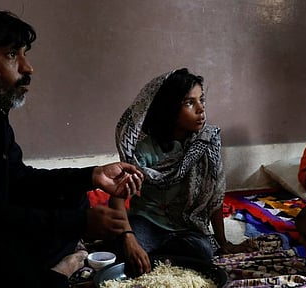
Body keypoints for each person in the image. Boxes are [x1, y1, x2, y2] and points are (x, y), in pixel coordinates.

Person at [0, 9, 143, 288]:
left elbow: (18, 179)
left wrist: (90, 175)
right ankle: (59, 269)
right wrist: (79, 223)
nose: (27, 68)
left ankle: (52, 267)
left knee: (74, 199)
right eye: (11, 55)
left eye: (24, 55)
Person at [109, 68, 256, 276]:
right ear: (169, 109)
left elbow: (214, 195)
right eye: (189, 103)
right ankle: (150, 257)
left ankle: (153, 260)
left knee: (204, 253)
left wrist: (223, 243)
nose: (201, 109)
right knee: (122, 250)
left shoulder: (205, 142)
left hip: (185, 225)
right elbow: (116, 199)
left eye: (201, 100)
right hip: (148, 221)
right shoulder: (144, 150)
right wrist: (129, 238)